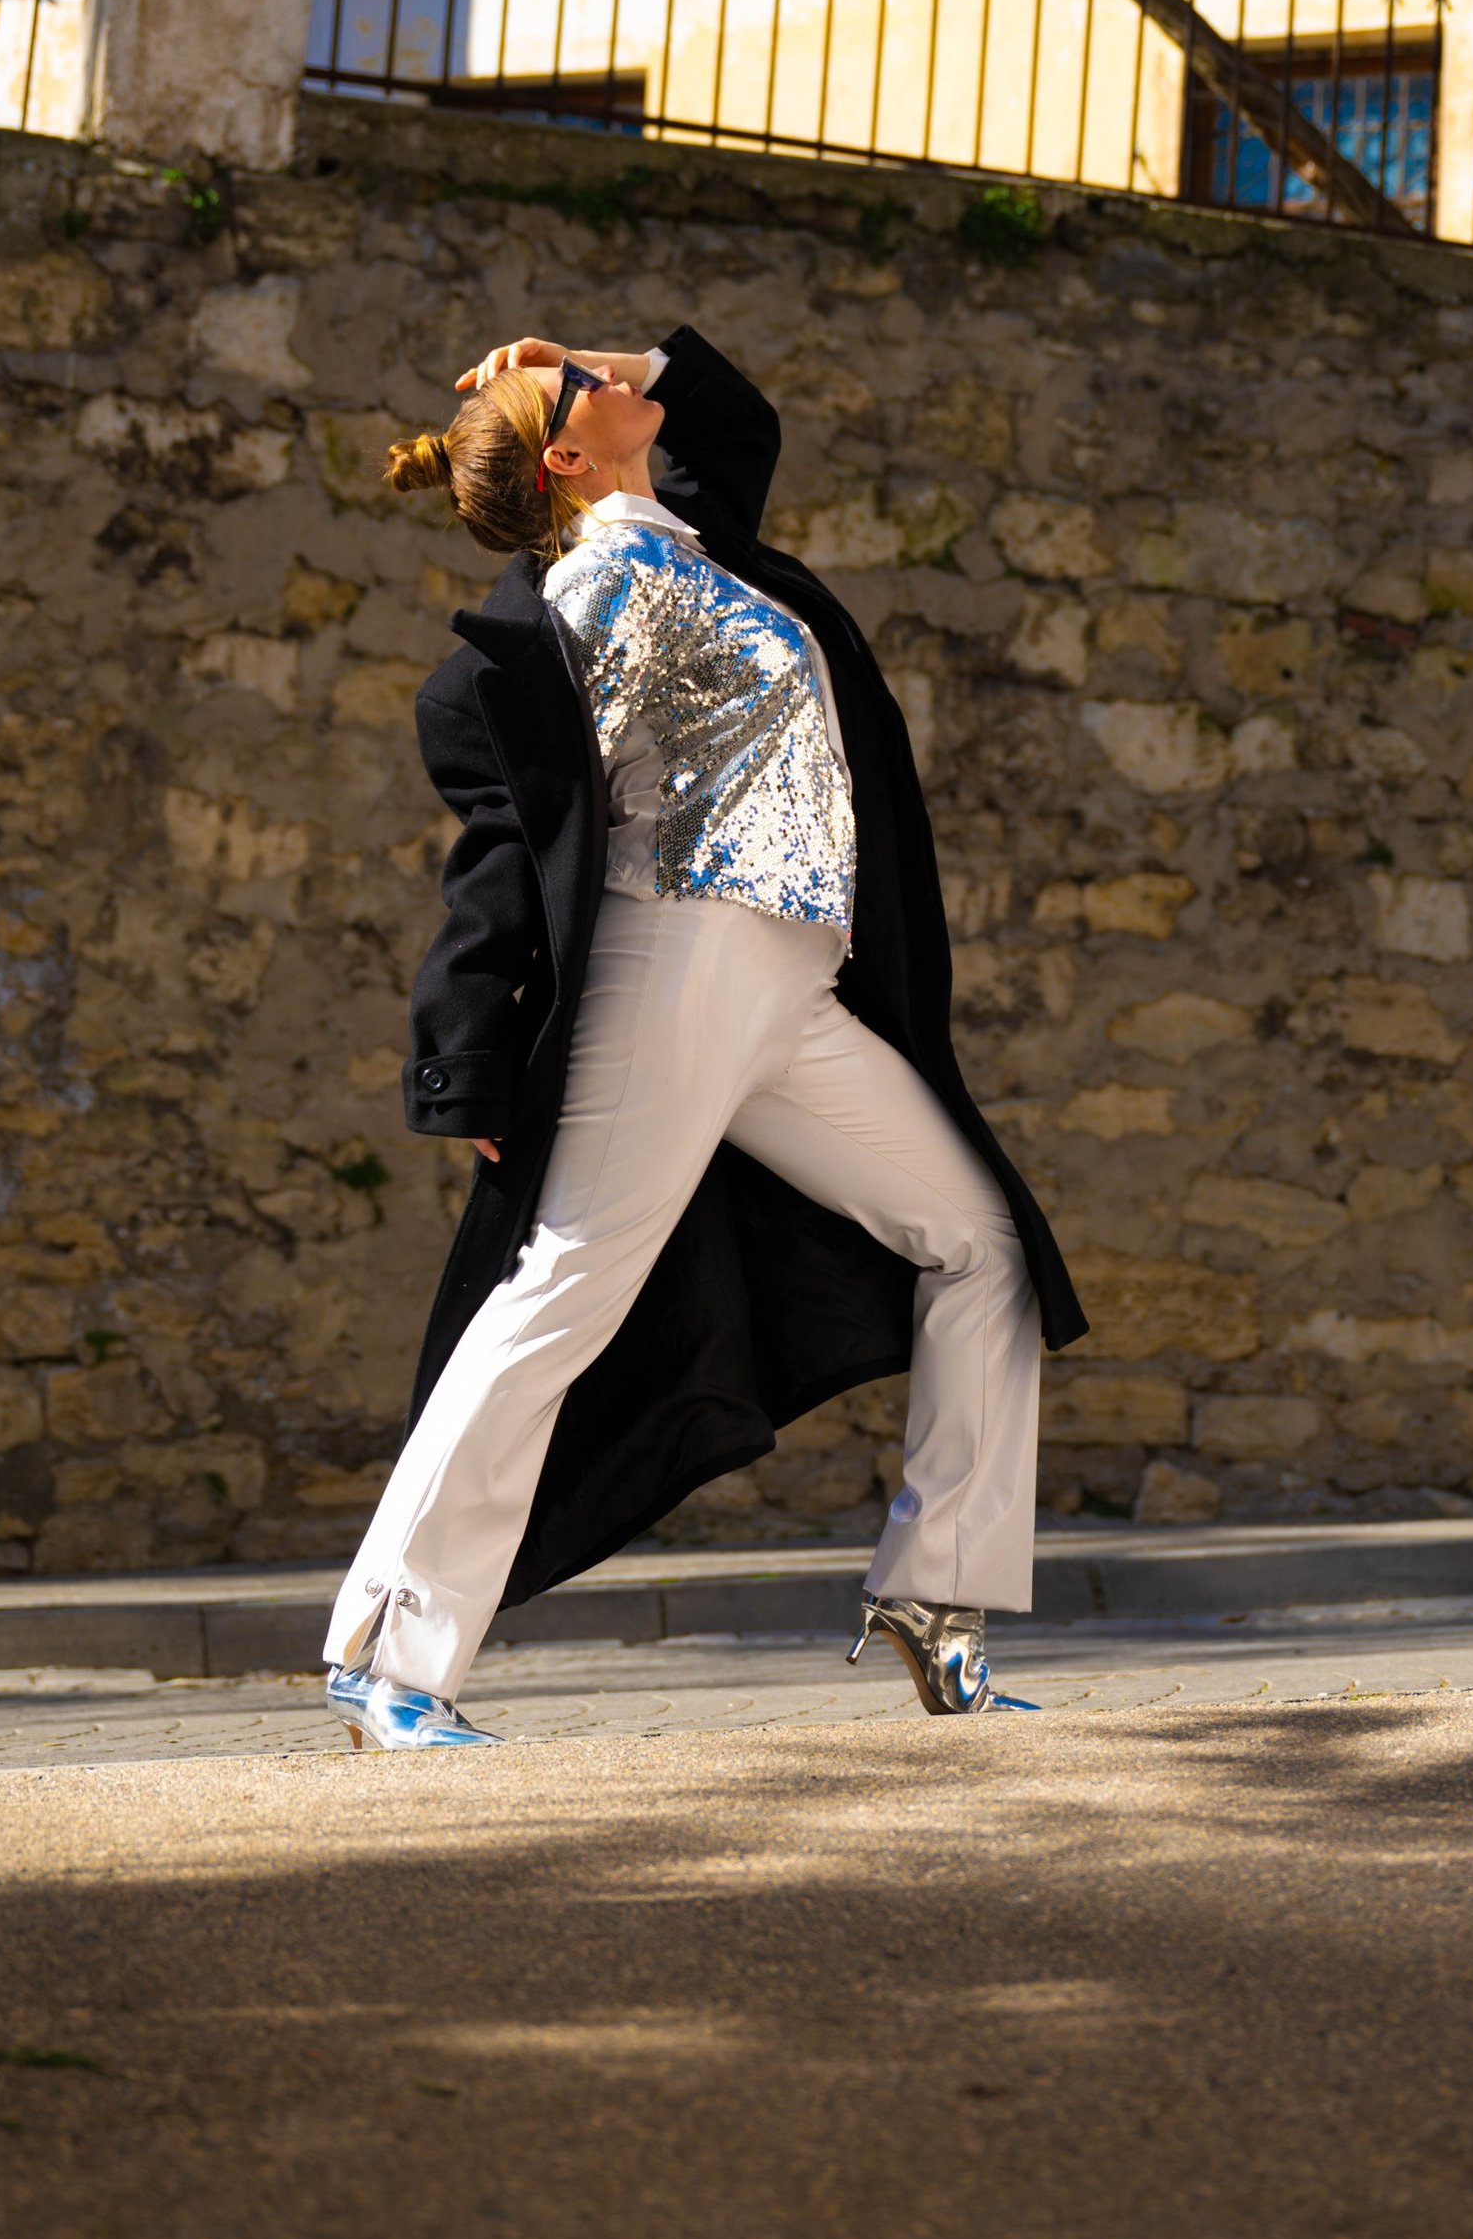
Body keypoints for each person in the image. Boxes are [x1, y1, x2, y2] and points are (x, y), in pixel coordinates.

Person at [323, 325, 1087, 1751]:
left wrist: (587, 351)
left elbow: (732, 415)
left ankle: (941, 1598)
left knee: (980, 1243)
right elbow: (505, 843)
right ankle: (388, 1656)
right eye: (584, 394)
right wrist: (471, 1054)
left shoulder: (700, 539)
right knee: (564, 1291)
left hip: (794, 990)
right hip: (672, 963)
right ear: (562, 455)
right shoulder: (567, 600)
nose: (622, 390)